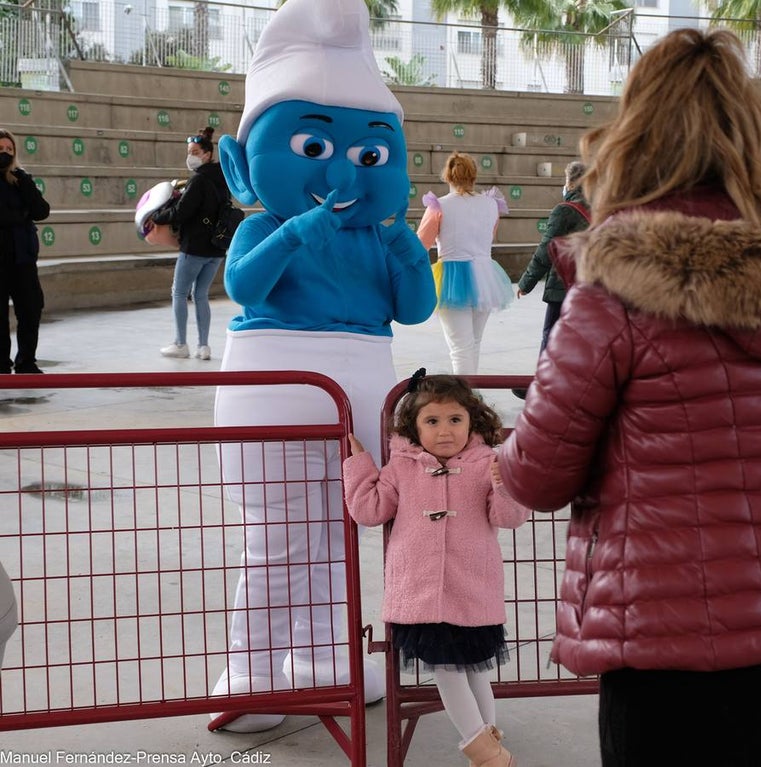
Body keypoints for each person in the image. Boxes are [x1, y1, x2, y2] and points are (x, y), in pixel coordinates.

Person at [498, 29, 761, 767]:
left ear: (632, 133)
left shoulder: (614, 284)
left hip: (664, 630)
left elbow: (536, 475)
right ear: (751, 134)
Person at [210, 0, 436, 732]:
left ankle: (323, 654)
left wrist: (405, 244)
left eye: (370, 155)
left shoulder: (378, 238)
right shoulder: (262, 225)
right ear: (244, 163)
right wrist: (300, 230)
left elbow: (415, 307)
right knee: (276, 536)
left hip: (361, 391)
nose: (345, 167)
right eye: (313, 147)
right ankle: (250, 670)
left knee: (339, 534)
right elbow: (244, 285)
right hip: (276, 385)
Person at [343, 371, 529, 767]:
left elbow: (510, 517)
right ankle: (487, 756)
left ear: (472, 421)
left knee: (476, 670)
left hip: (473, 586)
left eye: (454, 420)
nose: (445, 431)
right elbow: (369, 510)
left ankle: (490, 744)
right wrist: (360, 464)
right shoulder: (402, 467)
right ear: (413, 426)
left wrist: (507, 482)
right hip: (420, 590)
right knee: (447, 669)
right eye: (432, 421)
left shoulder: (487, 463)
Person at [417, 152, 514, 375]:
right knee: (474, 342)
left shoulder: (438, 206)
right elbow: (489, 236)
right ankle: (471, 393)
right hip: (485, 277)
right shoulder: (491, 204)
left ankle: (463, 398)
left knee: (459, 347)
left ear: (448, 176)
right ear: (474, 175)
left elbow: (421, 244)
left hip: (452, 277)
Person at [512, 161, 590, 398]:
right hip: (594, 287)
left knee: (552, 335)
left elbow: (546, 249)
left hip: (564, 286)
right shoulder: (605, 207)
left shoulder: (565, 210)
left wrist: (526, 282)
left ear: (571, 182)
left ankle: (543, 388)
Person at [152, 126, 230, 362]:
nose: (191, 156)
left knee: (179, 292)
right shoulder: (222, 178)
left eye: (195, 151)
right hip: (216, 249)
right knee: (201, 295)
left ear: (207, 154)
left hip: (194, 247)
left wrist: (157, 216)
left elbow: (182, 212)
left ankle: (180, 343)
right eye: (190, 151)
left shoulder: (199, 180)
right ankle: (204, 346)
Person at [0, 128, 50, 375]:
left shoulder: (21, 179)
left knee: (31, 308)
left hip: (23, 257)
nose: (5, 153)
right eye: (0, 150)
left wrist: (24, 183)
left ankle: (26, 361)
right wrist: (20, 215)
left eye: (9, 149)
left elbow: (42, 210)